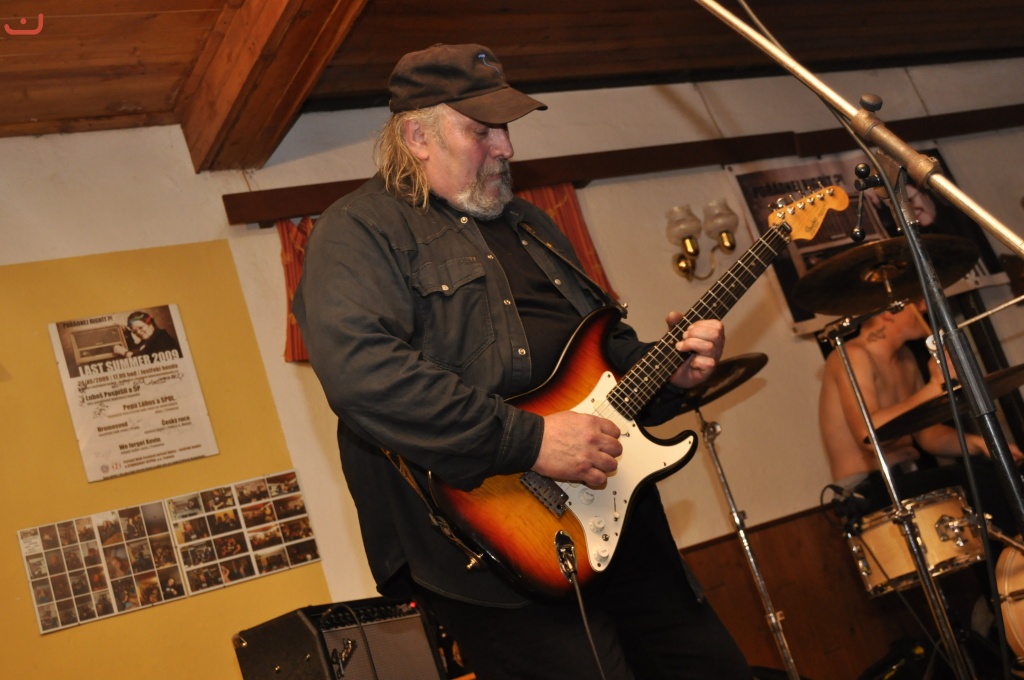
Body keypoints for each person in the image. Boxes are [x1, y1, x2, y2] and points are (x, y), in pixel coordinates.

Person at [294, 43, 751, 679]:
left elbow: (603, 351)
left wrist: (669, 373)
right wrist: (529, 440)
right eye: (481, 130)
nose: (505, 147)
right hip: (494, 552)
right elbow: (363, 375)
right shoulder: (358, 231)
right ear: (417, 137)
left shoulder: (533, 224)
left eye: (506, 128)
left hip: (618, 521)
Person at [819, 300, 1023, 537]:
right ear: (888, 312)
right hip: (864, 490)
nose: (924, 307)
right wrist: (934, 387)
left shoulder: (905, 358)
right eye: (915, 302)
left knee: (995, 472)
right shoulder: (852, 355)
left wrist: (980, 444)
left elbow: (927, 435)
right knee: (981, 482)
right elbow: (869, 437)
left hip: (903, 478)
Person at [113, 310, 181, 358]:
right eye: (135, 331)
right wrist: (127, 334)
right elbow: (134, 349)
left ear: (150, 324)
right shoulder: (146, 341)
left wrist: (126, 353)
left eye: (141, 327)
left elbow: (148, 360)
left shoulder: (162, 337)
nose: (138, 332)